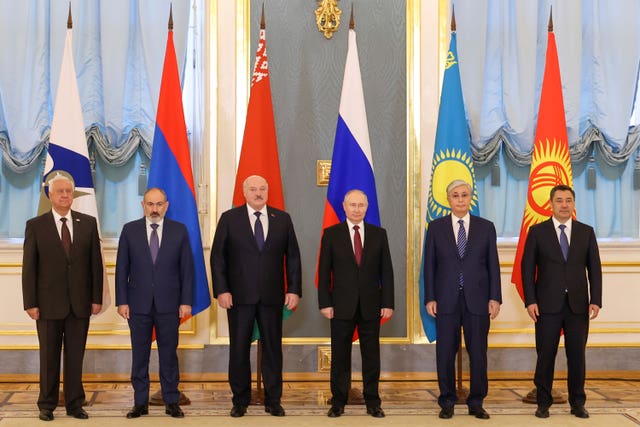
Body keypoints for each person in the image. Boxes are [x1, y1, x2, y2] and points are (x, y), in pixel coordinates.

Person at [210, 175, 302, 418]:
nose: (258, 193)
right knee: (239, 349)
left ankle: (273, 400)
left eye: (262, 188)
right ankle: (240, 400)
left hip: (273, 297)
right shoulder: (229, 219)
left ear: (268, 191)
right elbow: (217, 257)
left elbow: (293, 257)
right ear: (244, 192)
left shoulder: (282, 219)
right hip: (238, 298)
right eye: (253, 189)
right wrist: (222, 289)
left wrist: (293, 289)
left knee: (273, 350)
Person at [22, 172, 103, 421]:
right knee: (48, 356)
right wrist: (31, 303)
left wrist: (96, 298)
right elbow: (29, 268)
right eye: (60, 191)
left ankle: (74, 404)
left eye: (69, 191)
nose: (65, 195)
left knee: (75, 356)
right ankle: (46, 404)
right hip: (46, 306)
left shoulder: (88, 223)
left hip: (80, 304)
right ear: (50, 194)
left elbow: (95, 266)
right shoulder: (36, 225)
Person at [522, 184, 602, 419]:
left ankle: (577, 403)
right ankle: (543, 402)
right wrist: (530, 300)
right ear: (551, 204)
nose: (564, 204)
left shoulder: (586, 232)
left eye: (568, 200)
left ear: (573, 204)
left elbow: (594, 270)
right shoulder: (537, 232)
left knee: (577, 356)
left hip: (578, 306)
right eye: (559, 200)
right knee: (546, 355)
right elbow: (527, 270)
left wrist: (595, 299)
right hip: (546, 306)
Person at [423, 179, 501, 420]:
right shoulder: (435, 228)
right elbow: (429, 267)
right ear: (449, 199)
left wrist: (495, 298)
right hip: (445, 300)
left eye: (464, 195)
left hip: (477, 300)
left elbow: (493, 266)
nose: (460, 199)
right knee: (445, 353)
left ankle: (476, 401)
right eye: (455, 195)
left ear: (470, 199)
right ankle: (447, 401)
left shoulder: (486, 227)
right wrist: (430, 297)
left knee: (478, 353)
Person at [115, 187, 194, 419]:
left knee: (169, 354)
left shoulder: (179, 231)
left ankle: (171, 400)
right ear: (143, 205)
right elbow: (122, 270)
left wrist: (186, 302)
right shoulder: (130, 230)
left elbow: (186, 270)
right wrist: (122, 301)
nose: (155, 209)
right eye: (150, 204)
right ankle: (140, 403)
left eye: (159, 204)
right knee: (140, 355)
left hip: (170, 304)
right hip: (137, 305)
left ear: (166, 206)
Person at [317, 189, 394, 419]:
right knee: (340, 356)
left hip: (372, 305)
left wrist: (388, 302)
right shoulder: (331, 234)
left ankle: (373, 402)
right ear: (344, 206)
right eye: (353, 205)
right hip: (340, 305)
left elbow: (386, 273)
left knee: (371, 356)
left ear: (367, 207)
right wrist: (325, 303)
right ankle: (338, 401)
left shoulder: (379, 234)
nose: (357, 209)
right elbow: (323, 273)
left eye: (361, 205)